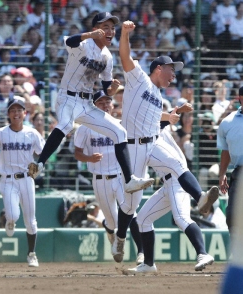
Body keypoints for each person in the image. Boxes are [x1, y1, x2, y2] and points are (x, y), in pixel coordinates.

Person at [115, 20, 219, 265]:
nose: (174, 75)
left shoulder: (158, 97)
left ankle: (201, 197)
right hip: (134, 148)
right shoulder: (139, 79)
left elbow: (156, 118)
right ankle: (120, 237)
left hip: (151, 144)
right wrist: (125, 34)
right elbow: (124, 55)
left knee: (176, 163)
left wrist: (172, 114)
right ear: (159, 68)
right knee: (130, 207)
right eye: (172, 69)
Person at [27, 12, 154, 195]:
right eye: (105, 27)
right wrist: (89, 35)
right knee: (66, 124)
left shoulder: (107, 57)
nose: (110, 31)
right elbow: (69, 41)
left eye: (112, 28)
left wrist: (112, 90)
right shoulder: (83, 44)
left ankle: (129, 180)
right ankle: (39, 164)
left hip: (86, 104)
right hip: (67, 99)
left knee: (120, 132)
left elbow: (105, 88)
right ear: (96, 29)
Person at [124, 126, 215, 275]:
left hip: (177, 181)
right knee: (142, 219)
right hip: (167, 184)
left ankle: (203, 254)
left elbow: (160, 122)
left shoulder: (154, 131)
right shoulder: (147, 135)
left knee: (181, 218)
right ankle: (148, 264)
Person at [73, 90, 144, 265]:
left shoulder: (120, 125)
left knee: (131, 212)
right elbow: (77, 153)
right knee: (112, 221)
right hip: (100, 178)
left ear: (112, 104)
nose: (105, 105)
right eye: (101, 102)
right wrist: (89, 158)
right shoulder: (85, 127)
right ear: (94, 105)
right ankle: (110, 231)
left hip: (120, 177)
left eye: (108, 102)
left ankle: (141, 252)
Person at [0, 98, 45, 267]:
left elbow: (43, 154)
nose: (16, 113)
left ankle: (31, 253)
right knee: (13, 215)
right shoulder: (1, 133)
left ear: (25, 113)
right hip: (8, 179)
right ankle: (8, 220)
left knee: (30, 220)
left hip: (26, 179)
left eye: (19, 110)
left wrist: (38, 167)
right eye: (13, 110)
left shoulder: (32, 133)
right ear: (9, 114)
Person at [217, 85, 243, 234]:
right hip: (239, 173)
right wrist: (222, 174)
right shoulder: (228, 122)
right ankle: (238, 253)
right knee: (233, 215)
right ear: (240, 99)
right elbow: (225, 150)